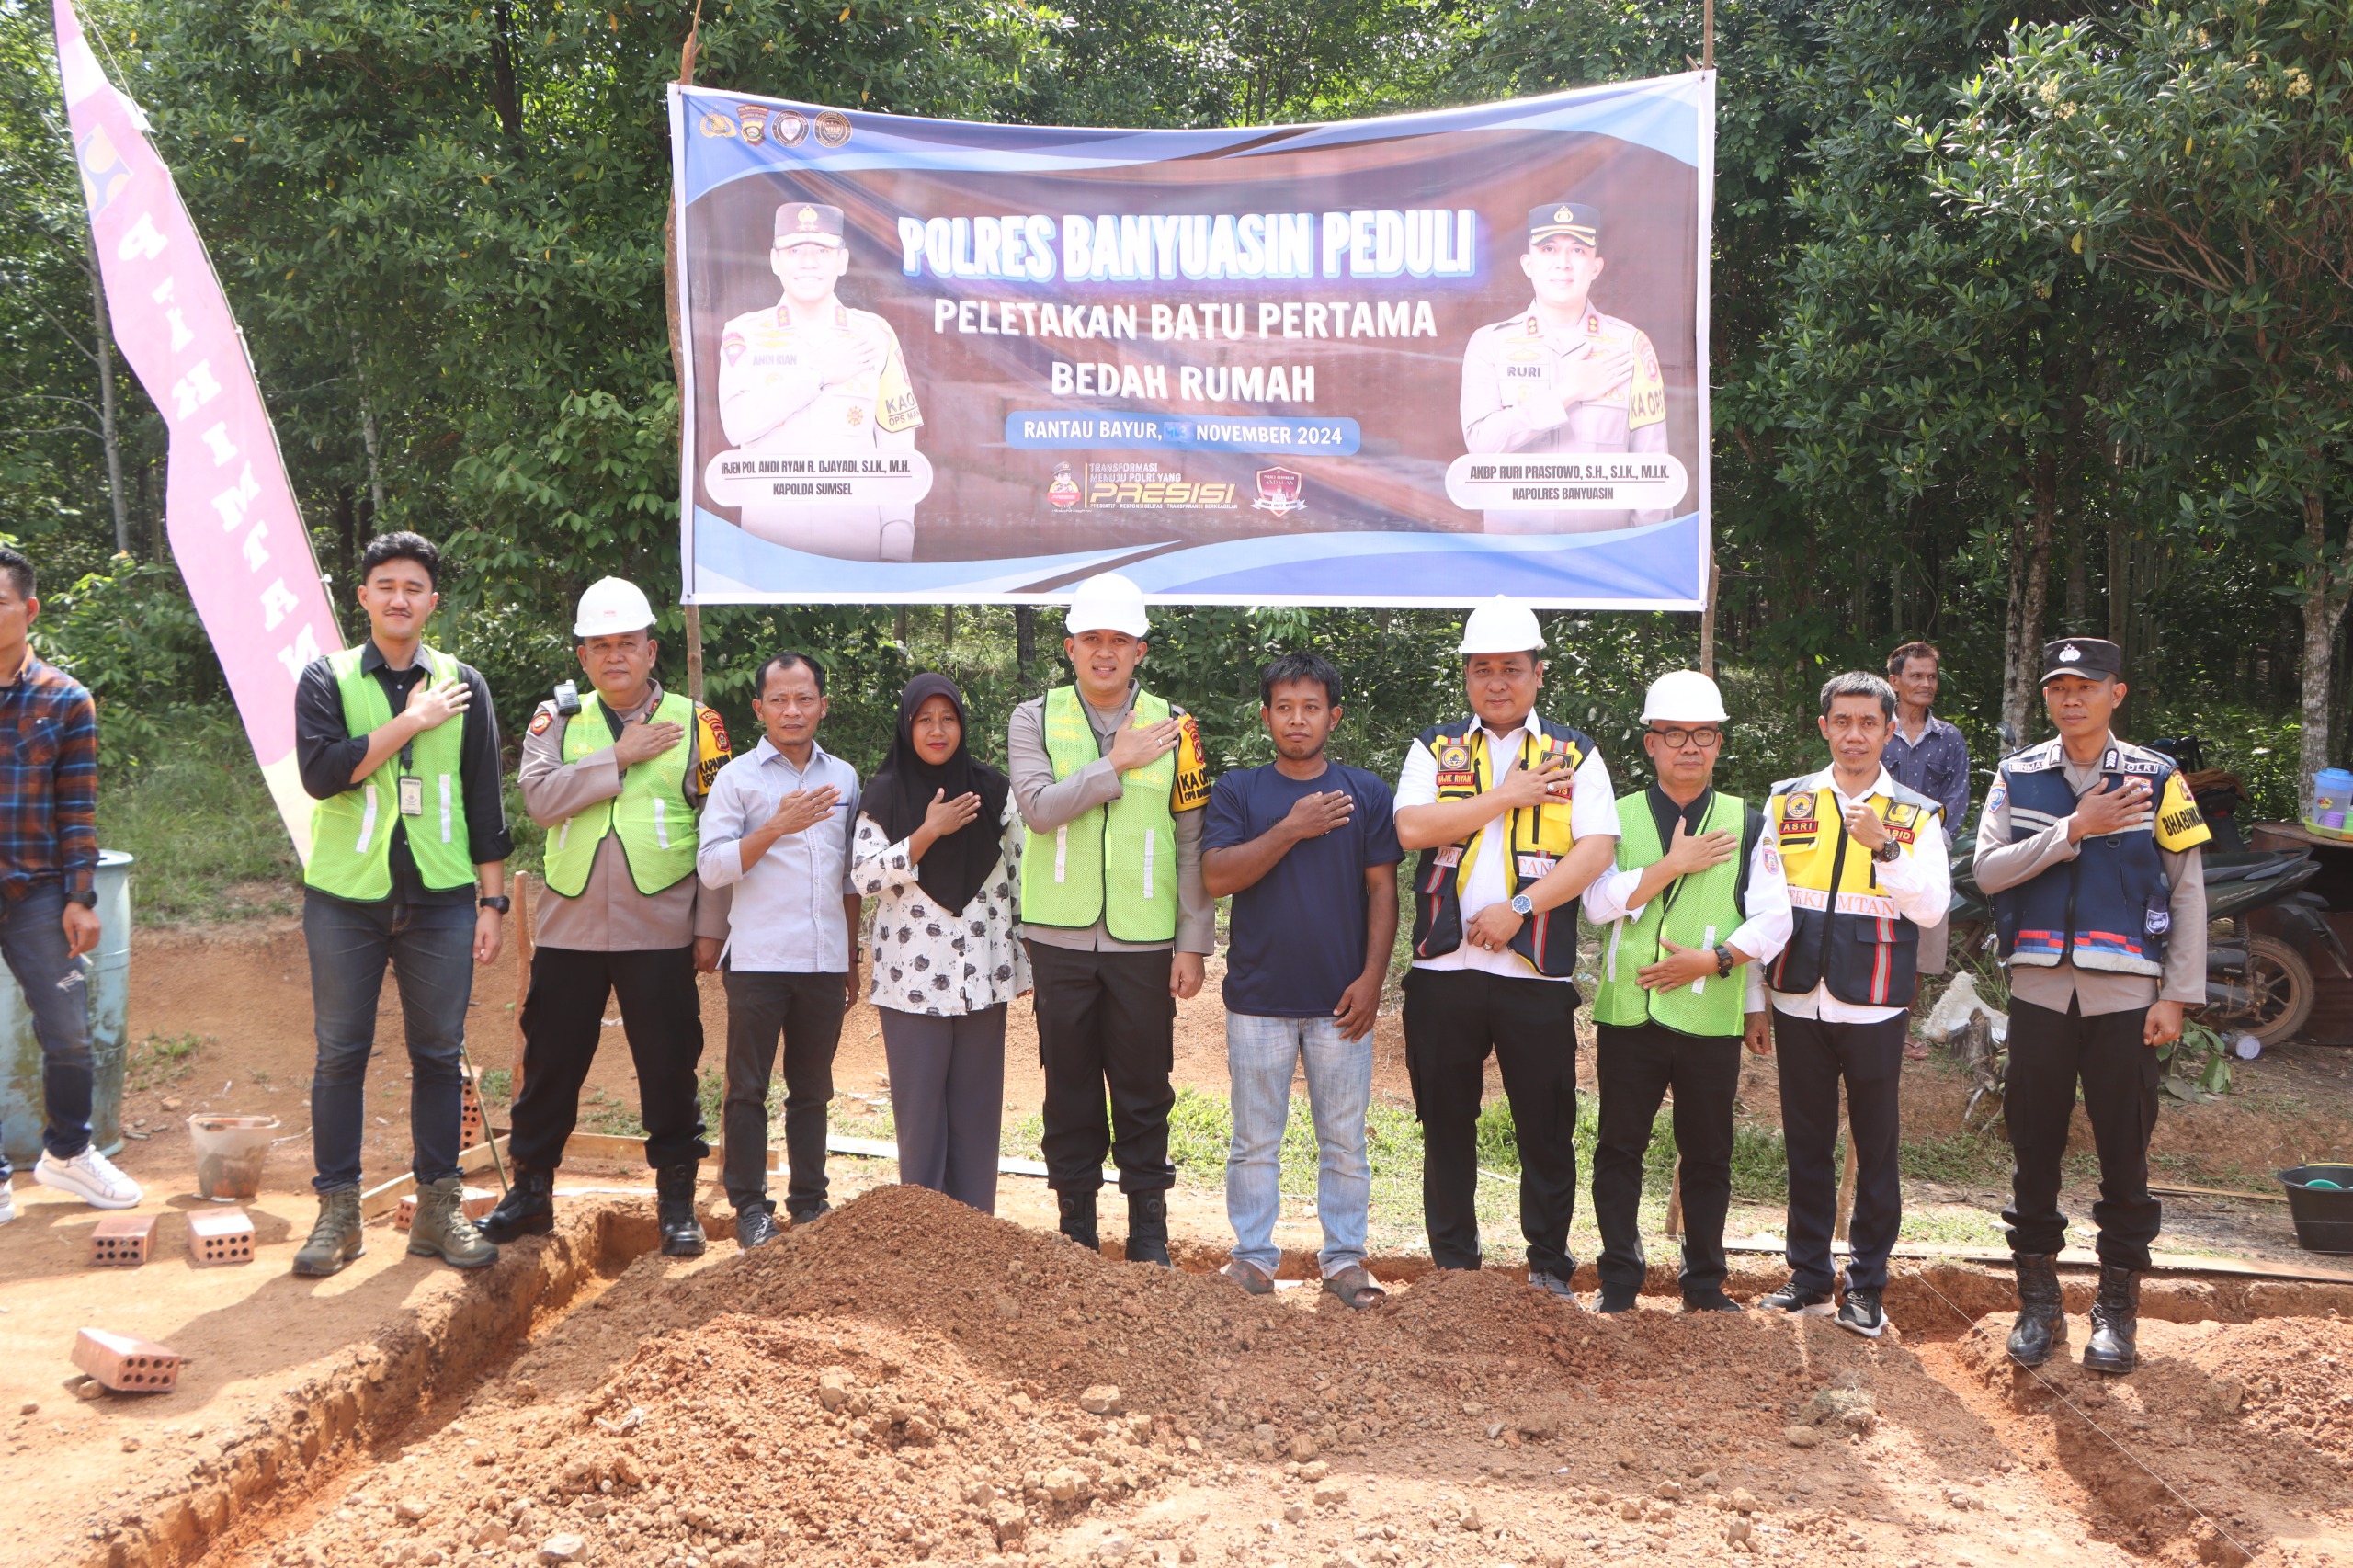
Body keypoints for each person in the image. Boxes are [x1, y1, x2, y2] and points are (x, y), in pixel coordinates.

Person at [1975, 637, 2209, 1375]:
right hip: (2039, 991)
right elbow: (1987, 872)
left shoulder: (2159, 777)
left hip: (2128, 997)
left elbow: (2188, 891)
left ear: (2117, 693)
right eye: (2059, 687)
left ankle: (2116, 1311)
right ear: (2046, 697)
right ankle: (2039, 1304)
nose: (2071, 698)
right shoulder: (2018, 775)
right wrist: (2072, 829)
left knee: (2124, 1155)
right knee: (2033, 1150)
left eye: (2086, 685)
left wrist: (2177, 994)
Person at [483, 578, 732, 1257]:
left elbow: (719, 824)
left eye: (627, 643)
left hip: (662, 924)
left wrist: (711, 926)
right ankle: (531, 1192)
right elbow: (540, 801)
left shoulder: (699, 723)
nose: (615, 656)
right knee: (551, 1060)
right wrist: (617, 757)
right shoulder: (557, 719)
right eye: (600, 645)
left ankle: (676, 1202)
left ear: (652, 650)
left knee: (669, 1063)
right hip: (572, 925)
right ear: (583, 657)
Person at [291, 531, 511, 1278]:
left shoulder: (465, 684)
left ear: (432, 602)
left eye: (413, 587)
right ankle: (338, 1214)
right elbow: (323, 773)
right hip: (345, 899)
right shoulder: (325, 678)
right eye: (385, 585)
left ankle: (439, 1212)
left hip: (442, 898)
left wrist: (492, 901)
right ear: (363, 597)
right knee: (339, 1056)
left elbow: (484, 796)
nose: (399, 598)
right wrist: (412, 722)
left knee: (439, 1056)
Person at [1392, 597, 1619, 1299]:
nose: (1497, 682)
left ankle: (1548, 1266)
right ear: (1465, 674)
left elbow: (1597, 850)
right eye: (1482, 668)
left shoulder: (1575, 754)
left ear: (1538, 674)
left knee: (1545, 1127)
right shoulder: (1435, 748)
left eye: (1512, 668)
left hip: (1535, 974)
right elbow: (1412, 828)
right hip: (1442, 971)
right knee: (1445, 1124)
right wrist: (1506, 793)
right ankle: (1454, 1271)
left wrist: (1520, 908)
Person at [1009, 572, 1212, 1265]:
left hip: (1145, 938)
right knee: (1068, 1088)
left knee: (1144, 1087)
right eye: (1091, 638)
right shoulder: (1033, 718)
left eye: (1119, 640)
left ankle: (1149, 1237)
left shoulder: (1178, 727)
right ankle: (1076, 1235)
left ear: (1140, 651)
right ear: (1069, 647)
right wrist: (1116, 763)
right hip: (1058, 936)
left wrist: (1193, 940)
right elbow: (1038, 810)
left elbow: (1191, 838)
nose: (1105, 651)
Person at [1583, 671, 1790, 1313]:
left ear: (1719, 743)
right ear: (1651, 743)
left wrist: (1719, 963)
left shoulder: (1747, 822)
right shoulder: (1614, 819)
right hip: (1629, 1012)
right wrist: (1670, 865)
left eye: (1702, 734)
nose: (1689, 747)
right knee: (1619, 1148)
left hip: (1710, 1011)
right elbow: (1596, 904)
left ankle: (1703, 1282)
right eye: (1674, 735)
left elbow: (1773, 918)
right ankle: (1620, 1280)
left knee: (1708, 1154)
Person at [1201, 652, 1402, 1310]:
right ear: (1265, 717)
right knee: (1253, 1140)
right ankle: (1253, 1260)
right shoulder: (1239, 791)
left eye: (1310, 707)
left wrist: (1372, 979)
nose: (1297, 719)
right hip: (1258, 998)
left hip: (1341, 1000)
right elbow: (1217, 876)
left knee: (1344, 1141)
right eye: (1284, 707)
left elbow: (1383, 891)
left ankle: (1344, 1261)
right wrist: (1290, 829)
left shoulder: (1365, 793)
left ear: (1333, 717)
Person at [1756, 672, 1949, 1337]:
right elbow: (1762, 904)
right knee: (1805, 1145)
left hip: (1874, 1004)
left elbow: (1932, 907)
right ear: (1824, 728)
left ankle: (1866, 1288)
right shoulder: (1786, 801)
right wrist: (1756, 996)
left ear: (1890, 731)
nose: (1855, 735)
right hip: (1796, 998)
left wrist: (1885, 848)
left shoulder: (1916, 814)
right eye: (1842, 721)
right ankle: (1809, 1278)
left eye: (1869, 723)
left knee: (1875, 1150)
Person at [697, 652, 861, 1247]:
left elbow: (849, 876)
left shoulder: (844, 778)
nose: (793, 711)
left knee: (813, 1089)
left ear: (823, 705)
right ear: (759, 707)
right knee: (747, 1088)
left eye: (804, 699)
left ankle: (810, 1203)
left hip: (823, 959)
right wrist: (773, 827)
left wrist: (850, 957)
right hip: (758, 960)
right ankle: (750, 1208)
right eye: (780, 700)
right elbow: (712, 866)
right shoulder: (736, 779)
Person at [850, 673, 1026, 1214]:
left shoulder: (992, 790)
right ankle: (923, 1233)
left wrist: (1023, 963)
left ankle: (974, 1229)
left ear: (962, 725)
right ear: (907, 727)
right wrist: (929, 831)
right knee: (921, 1116)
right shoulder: (883, 794)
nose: (937, 730)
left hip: (984, 976)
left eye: (948, 718)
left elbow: (1020, 877)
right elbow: (864, 876)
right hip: (911, 984)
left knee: (977, 1115)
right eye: (924, 719)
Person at [0, 545, 137, 1221]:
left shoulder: (65, 699)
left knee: (69, 1033)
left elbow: (76, 808)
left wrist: (81, 897)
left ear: (28, 609)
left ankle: (68, 1153)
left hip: (36, 893)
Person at [716, 201, 924, 562]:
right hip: (770, 549)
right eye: (795, 251)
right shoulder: (743, 334)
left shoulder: (875, 335)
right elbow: (736, 425)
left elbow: (898, 453)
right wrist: (819, 376)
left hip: (855, 549)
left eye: (823, 251)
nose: (808, 262)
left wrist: (896, 545)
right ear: (775, 260)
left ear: (842, 261)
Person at [1459, 202, 1670, 534]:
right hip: (1516, 556)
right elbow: (1482, 445)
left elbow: (1652, 472)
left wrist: (1641, 553)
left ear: (1596, 266)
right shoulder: (1489, 344)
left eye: (1578, 250)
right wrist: (1566, 393)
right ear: (1528, 264)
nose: (1563, 263)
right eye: (1548, 249)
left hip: (1606, 556)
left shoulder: (1631, 346)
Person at [1881, 640, 1972, 1018]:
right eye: (1916, 675)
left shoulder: (1949, 738)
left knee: (1920, 946)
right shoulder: (1878, 729)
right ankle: (1871, 1023)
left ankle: (1901, 1029)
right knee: (1872, 938)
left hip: (1928, 857)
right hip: (1874, 854)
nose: (1926, 684)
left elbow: (1957, 798)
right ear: (1894, 681)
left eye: (1932, 677)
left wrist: (1928, 846)